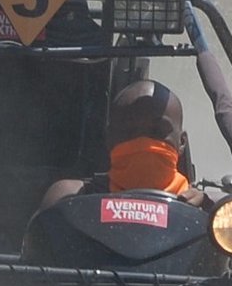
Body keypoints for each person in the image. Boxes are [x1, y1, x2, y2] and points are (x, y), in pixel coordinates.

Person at [38, 79, 209, 209]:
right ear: (109, 138)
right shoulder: (69, 199)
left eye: (157, 131)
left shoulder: (213, 211)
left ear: (182, 142)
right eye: (129, 132)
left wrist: (208, 207)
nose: (143, 143)